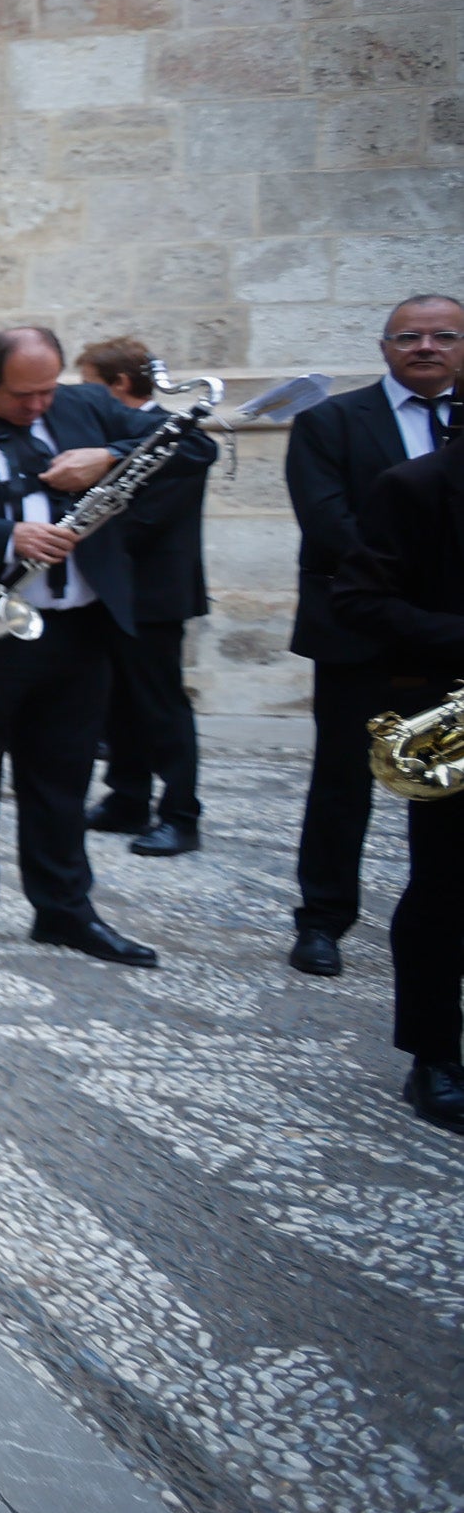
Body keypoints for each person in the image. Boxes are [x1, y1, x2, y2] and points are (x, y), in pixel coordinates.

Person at [0, 325, 203, 965]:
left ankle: (65, 910)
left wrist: (109, 457)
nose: (39, 407)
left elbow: (191, 448)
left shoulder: (85, 407)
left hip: (80, 630)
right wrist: (4, 537)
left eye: (47, 391)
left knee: (63, 779)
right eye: (23, 396)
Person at [283, 295, 461, 977]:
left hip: (449, 642)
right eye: (407, 336)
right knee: (341, 782)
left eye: (443, 335)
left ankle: (443, 920)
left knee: (449, 789)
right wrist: (408, 598)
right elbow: (330, 523)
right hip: (360, 630)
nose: (425, 346)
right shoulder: (330, 421)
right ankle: (324, 919)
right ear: (383, 347)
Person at [330, 433, 464, 1133]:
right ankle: (435, 1055)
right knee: (445, 885)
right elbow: (359, 600)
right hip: (452, 709)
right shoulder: (413, 485)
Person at [68, 339, 207, 856]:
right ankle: (126, 798)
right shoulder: (114, 432)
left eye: (89, 384)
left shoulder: (170, 432)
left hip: (152, 594)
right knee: (117, 701)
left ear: (120, 384)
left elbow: (143, 519)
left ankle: (180, 813)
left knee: (160, 705)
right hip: (111, 590)